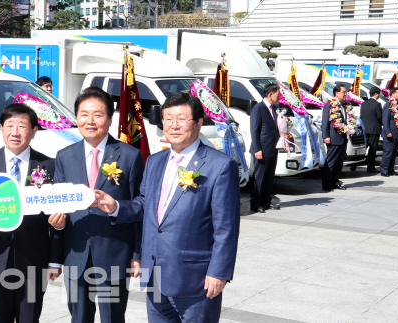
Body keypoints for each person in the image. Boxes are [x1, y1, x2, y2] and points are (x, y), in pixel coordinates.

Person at [94, 92, 241, 323]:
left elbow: (226, 227)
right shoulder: (155, 161)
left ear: (199, 122)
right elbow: (144, 204)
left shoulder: (220, 166)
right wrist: (115, 207)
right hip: (156, 275)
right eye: (168, 119)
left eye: (181, 119)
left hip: (196, 279)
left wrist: (219, 272)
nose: (174, 126)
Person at [51, 87, 143, 323]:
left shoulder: (130, 156)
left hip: (114, 253)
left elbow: (141, 204)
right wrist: (57, 223)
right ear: (76, 118)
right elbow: (58, 202)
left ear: (110, 120)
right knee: (79, 318)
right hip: (76, 253)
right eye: (84, 114)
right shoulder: (64, 156)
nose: (90, 121)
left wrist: (137, 254)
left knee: (112, 318)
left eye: (98, 115)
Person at [0, 103, 63, 323]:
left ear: (33, 131)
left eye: (22, 126)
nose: (15, 132)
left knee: (29, 318)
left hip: (34, 261)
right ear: (1, 128)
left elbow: (57, 218)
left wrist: (55, 261)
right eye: (9, 125)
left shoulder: (48, 166)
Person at [249, 83, 281, 213]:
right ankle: (255, 204)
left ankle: (266, 201)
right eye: (278, 94)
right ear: (271, 94)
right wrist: (257, 149)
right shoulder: (259, 108)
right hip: (262, 149)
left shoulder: (274, 108)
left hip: (272, 148)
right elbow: (255, 131)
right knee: (259, 177)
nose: (280, 97)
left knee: (269, 177)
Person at [321, 85, 349, 191]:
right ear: (337, 93)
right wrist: (326, 136)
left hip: (342, 137)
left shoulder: (344, 105)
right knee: (331, 161)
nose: (345, 94)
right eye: (344, 92)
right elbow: (325, 122)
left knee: (339, 162)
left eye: (346, 92)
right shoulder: (329, 105)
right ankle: (326, 183)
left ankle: (335, 181)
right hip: (333, 138)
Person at [381, 87, 398, 177]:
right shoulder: (388, 105)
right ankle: (384, 169)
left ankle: (390, 169)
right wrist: (387, 131)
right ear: (393, 94)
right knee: (388, 152)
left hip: (397, 133)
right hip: (390, 133)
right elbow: (385, 120)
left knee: (394, 153)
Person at [360, 87, 383, 172]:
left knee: (363, 148)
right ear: (376, 94)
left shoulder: (363, 104)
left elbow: (362, 116)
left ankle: (355, 164)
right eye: (379, 93)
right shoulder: (377, 104)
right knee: (372, 149)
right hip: (374, 129)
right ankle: (370, 166)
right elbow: (379, 116)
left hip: (365, 129)